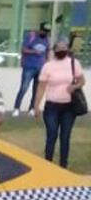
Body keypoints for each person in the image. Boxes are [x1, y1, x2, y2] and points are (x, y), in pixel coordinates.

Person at [35, 37, 85, 168]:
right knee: (51, 135)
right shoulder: (48, 66)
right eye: (59, 48)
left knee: (65, 137)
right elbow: (41, 87)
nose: (61, 50)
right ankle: (48, 164)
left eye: (64, 48)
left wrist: (74, 87)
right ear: (54, 50)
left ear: (67, 50)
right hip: (52, 106)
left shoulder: (74, 63)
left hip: (69, 107)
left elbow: (81, 80)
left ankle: (63, 165)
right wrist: (36, 106)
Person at [13, 23, 49, 114]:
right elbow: (23, 50)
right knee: (24, 88)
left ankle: (32, 108)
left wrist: (46, 63)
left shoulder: (47, 40)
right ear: (40, 29)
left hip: (40, 67)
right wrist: (34, 51)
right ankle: (17, 108)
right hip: (29, 66)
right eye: (43, 31)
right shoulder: (31, 37)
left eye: (47, 32)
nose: (45, 33)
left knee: (36, 89)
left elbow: (47, 52)